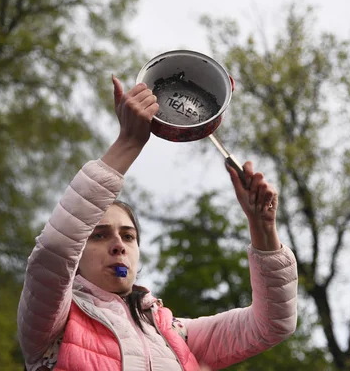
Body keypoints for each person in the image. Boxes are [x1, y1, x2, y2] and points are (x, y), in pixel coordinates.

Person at [17, 76, 298, 371]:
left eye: (128, 236)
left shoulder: (176, 334)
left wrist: (263, 227)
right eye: (99, 236)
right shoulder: (52, 321)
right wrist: (127, 143)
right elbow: (54, 250)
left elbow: (273, 323)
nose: (118, 246)